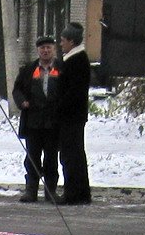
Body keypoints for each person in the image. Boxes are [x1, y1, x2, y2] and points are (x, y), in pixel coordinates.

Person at [11, 37, 63, 204]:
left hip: (53, 123)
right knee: (32, 158)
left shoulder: (62, 69)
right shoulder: (28, 70)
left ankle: (50, 192)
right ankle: (31, 191)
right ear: (38, 51)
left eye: (48, 48)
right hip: (33, 123)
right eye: (42, 48)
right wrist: (22, 102)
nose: (45, 51)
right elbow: (17, 89)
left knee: (51, 158)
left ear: (53, 49)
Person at [57, 21, 93, 204]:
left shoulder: (76, 61)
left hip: (71, 116)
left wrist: (59, 106)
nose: (61, 43)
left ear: (72, 41)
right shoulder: (76, 59)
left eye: (63, 40)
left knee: (71, 155)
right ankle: (80, 192)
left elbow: (72, 92)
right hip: (75, 116)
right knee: (75, 154)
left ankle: (73, 193)